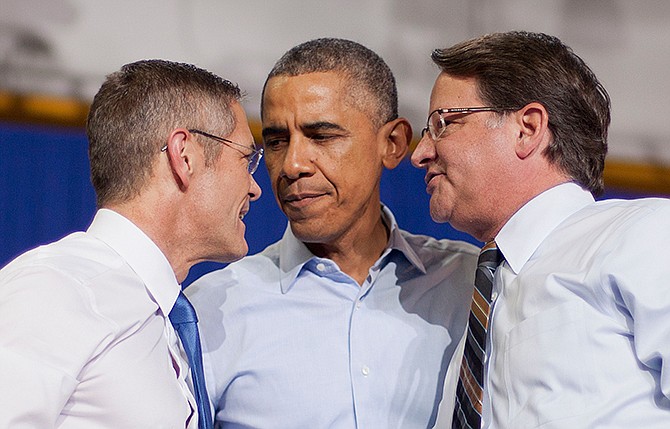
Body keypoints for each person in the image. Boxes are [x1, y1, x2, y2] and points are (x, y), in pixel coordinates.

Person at [186, 38, 479, 428]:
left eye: (321, 137)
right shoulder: (210, 311)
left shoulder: (473, 286)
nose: (292, 164)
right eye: (276, 141)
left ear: (392, 144)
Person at [411, 30, 670, 429]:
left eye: (443, 123)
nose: (420, 152)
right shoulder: (474, 316)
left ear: (527, 128)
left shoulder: (645, 235)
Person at [0, 59, 262, 428]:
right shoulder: (56, 289)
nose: (255, 187)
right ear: (184, 156)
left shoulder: (165, 319)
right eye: (246, 159)